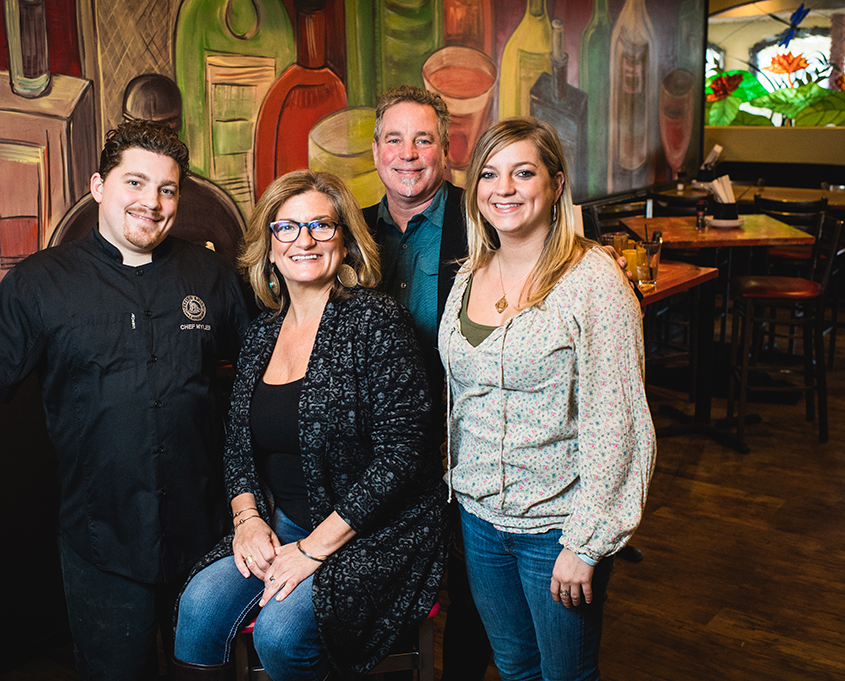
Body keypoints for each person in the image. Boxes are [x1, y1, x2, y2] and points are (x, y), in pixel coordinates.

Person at [0, 119, 250, 680]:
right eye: (135, 183)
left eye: (167, 189)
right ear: (98, 186)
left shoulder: (212, 275)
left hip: (208, 531)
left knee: (210, 673)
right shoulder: (41, 282)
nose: (152, 202)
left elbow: (269, 375)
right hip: (102, 539)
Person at [172, 170, 447, 680]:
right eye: (287, 228)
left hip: (372, 531)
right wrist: (248, 520)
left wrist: (312, 550)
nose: (304, 239)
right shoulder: (261, 335)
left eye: (321, 226)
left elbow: (404, 454)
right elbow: (237, 445)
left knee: (281, 634)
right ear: (269, 249)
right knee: (199, 609)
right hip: (281, 523)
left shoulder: (375, 321)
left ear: (344, 243)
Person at [438, 117, 656, 681]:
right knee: (513, 666)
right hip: (480, 519)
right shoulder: (469, 275)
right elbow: (460, 399)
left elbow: (619, 420)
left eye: (523, 172)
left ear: (556, 184)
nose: (503, 188)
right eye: (489, 174)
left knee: (566, 674)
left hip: (558, 525)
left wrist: (588, 543)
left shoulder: (593, 280)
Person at [364, 85, 492, 680]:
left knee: (472, 587)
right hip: (380, 449)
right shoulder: (351, 233)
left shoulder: (484, 219)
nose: (408, 153)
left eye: (423, 139)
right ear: (375, 151)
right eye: (395, 138)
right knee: (386, 579)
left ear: (446, 149)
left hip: (467, 440)